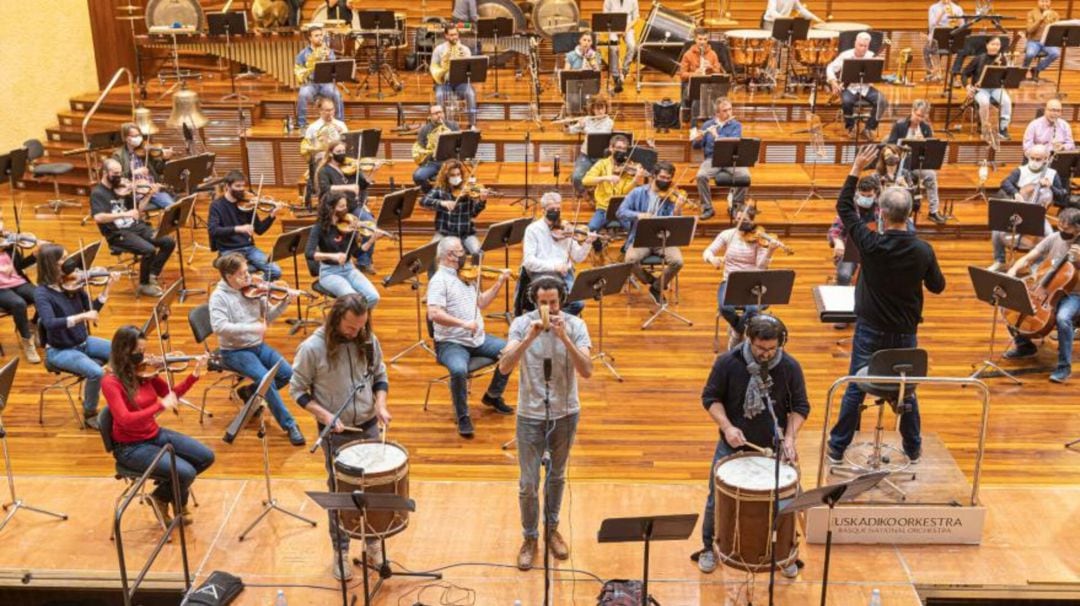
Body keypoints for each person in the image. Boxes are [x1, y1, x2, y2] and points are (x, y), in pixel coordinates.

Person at [826, 145, 946, 465]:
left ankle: (837, 448)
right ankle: (913, 447)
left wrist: (855, 169)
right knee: (906, 391)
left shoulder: (870, 244)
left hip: (870, 331)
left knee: (855, 385)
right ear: (909, 215)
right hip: (905, 333)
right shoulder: (923, 250)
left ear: (880, 212)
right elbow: (938, 287)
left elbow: (844, 208)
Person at [693, 314, 808, 576]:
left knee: (785, 502)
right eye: (760, 348)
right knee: (716, 498)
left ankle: (783, 553)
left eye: (772, 349)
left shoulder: (789, 367)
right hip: (732, 445)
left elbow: (800, 406)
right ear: (749, 339)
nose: (766, 354)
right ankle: (708, 547)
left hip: (772, 444)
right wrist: (727, 426)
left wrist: (789, 438)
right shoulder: (727, 363)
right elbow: (710, 398)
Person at [290, 294, 392, 580]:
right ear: (336, 319)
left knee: (374, 490)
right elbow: (297, 390)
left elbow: (379, 376)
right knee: (342, 495)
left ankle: (373, 544)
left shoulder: (367, 339)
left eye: (360, 327)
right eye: (350, 327)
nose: (355, 333)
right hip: (337, 432)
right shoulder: (312, 348)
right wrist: (325, 416)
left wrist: (381, 404)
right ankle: (341, 552)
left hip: (369, 425)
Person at [499, 275, 592, 571]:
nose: (549, 308)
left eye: (553, 302)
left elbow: (587, 370)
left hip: (565, 413)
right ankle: (530, 537)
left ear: (561, 301)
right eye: (543, 303)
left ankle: (552, 530)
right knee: (528, 483)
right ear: (534, 302)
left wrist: (564, 338)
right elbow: (504, 366)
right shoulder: (520, 325)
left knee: (557, 476)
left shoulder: (576, 326)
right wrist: (530, 337)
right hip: (530, 413)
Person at [102, 325, 214, 525]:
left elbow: (172, 393)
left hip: (154, 435)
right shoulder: (111, 382)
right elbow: (124, 418)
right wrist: (159, 406)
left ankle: (161, 495)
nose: (143, 356)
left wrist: (194, 375)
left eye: (143, 351)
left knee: (206, 457)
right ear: (123, 351)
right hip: (130, 448)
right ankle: (172, 500)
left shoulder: (145, 373)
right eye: (138, 352)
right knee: (186, 472)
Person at [208, 253, 305, 446]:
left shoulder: (253, 288)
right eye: (243, 274)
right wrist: (252, 328)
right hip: (234, 351)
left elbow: (269, 315)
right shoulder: (218, 298)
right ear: (229, 277)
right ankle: (289, 425)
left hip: (257, 346)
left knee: (287, 374)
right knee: (266, 381)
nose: (249, 277)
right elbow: (219, 327)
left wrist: (285, 301)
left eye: (248, 271)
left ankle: (250, 393)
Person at [427, 236, 514, 437]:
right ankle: (462, 415)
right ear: (449, 256)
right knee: (458, 370)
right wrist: (464, 324)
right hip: (451, 343)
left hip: (477, 338)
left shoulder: (466, 275)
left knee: (512, 350)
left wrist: (499, 283)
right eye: (460, 251)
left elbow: (481, 303)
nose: (464, 255)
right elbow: (434, 314)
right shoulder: (439, 281)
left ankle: (493, 395)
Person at [35, 244, 119, 430]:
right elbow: (49, 323)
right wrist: (81, 317)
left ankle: (120, 399)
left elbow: (92, 310)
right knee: (96, 372)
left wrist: (107, 289)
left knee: (120, 350)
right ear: (51, 264)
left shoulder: (73, 284)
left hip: (83, 342)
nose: (70, 263)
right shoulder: (41, 294)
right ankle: (90, 414)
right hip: (59, 350)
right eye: (63, 259)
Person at [1002, 208, 1080, 383]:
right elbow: (1030, 257)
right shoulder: (1055, 238)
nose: (1061, 231)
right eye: (1059, 225)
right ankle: (1025, 346)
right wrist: (1013, 270)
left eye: (1066, 229)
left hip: (1074, 294)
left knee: (1062, 318)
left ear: (1077, 229)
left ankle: (1064, 368)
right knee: (1013, 301)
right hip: (1047, 288)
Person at [91, 158, 175, 297]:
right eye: (115, 174)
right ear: (105, 173)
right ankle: (143, 284)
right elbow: (98, 217)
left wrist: (148, 194)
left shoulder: (123, 188)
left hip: (136, 227)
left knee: (168, 242)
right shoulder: (98, 193)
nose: (119, 177)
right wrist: (125, 214)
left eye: (120, 173)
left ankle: (152, 274)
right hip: (118, 233)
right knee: (149, 250)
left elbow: (138, 210)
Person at [703, 206, 780, 350]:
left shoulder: (759, 238)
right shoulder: (727, 234)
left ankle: (736, 332)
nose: (739, 223)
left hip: (753, 282)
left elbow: (761, 267)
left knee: (753, 309)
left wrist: (769, 252)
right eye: (738, 219)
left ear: (752, 221)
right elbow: (708, 251)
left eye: (744, 220)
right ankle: (739, 329)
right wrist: (712, 259)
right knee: (725, 308)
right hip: (730, 280)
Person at [618, 161, 688, 305]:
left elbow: (675, 222)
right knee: (629, 260)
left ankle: (656, 288)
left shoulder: (670, 197)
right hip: (640, 238)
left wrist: (677, 209)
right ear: (654, 176)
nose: (666, 181)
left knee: (678, 261)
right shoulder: (638, 192)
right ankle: (650, 280)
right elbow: (620, 212)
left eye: (669, 178)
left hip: (663, 239)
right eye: (662, 177)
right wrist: (638, 215)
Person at [989, 144, 1064, 271]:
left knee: (1049, 235)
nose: (1034, 161)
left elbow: (1062, 195)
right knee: (996, 230)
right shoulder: (1021, 170)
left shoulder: (1052, 174)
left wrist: (1050, 186)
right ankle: (999, 260)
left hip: (1038, 213)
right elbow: (1005, 183)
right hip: (1019, 210)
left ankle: (1037, 264)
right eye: (1032, 158)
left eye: (1038, 159)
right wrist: (1016, 193)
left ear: (1046, 159)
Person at [521, 192, 596, 316]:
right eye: (552, 209)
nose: (555, 212)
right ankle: (551, 320)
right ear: (543, 210)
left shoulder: (565, 228)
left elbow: (578, 257)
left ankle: (552, 319)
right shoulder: (533, 230)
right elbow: (529, 261)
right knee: (546, 302)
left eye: (558, 209)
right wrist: (554, 267)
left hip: (565, 275)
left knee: (578, 303)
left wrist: (588, 243)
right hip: (542, 275)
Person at [306, 192, 381, 306]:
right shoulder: (319, 228)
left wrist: (371, 240)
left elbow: (357, 253)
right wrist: (333, 256)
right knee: (353, 301)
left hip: (349, 269)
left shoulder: (349, 225)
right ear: (330, 208)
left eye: (345, 206)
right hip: (329, 272)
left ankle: (357, 321)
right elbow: (309, 253)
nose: (345, 209)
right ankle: (347, 321)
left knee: (373, 297)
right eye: (341, 206)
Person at [207, 170, 283, 281]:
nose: (241, 189)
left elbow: (260, 229)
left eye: (243, 186)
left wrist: (272, 215)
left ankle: (253, 285)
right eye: (237, 186)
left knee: (276, 271)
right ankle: (246, 283)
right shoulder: (217, 206)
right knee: (240, 274)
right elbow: (213, 230)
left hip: (249, 248)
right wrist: (238, 229)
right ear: (227, 186)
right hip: (229, 250)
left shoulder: (248, 203)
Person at [885, 99, 946, 225]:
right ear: (912, 111)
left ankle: (933, 211)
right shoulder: (899, 125)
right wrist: (905, 143)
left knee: (931, 175)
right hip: (899, 164)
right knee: (902, 180)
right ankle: (900, 213)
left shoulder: (925, 128)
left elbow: (930, 151)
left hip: (916, 164)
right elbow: (889, 145)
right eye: (917, 115)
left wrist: (923, 142)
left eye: (922, 116)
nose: (919, 118)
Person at [692, 97, 749, 220]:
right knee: (700, 176)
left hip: (731, 159)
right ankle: (707, 208)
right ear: (717, 113)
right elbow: (696, 147)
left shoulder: (736, 125)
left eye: (730, 109)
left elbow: (733, 142)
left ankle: (735, 207)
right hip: (712, 159)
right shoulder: (707, 125)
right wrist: (698, 139)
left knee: (745, 176)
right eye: (725, 110)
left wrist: (717, 135)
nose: (729, 113)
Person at [419, 159, 489, 257]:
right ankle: (436, 273)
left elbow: (473, 213)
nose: (456, 177)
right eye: (452, 175)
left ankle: (473, 272)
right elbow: (423, 201)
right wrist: (441, 203)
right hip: (445, 233)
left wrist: (482, 201)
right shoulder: (440, 189)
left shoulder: (468, 188)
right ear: (446, 176)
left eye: (458, 174)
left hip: (466, 234)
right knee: (432, 254)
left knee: (478, 254)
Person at [582, 134, 644, 238]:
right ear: (611, 148)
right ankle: (598, 248)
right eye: (619, 148)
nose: (622, 151)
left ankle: (626, 249)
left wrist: (635, 180)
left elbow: (625, 191)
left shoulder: (629, 166)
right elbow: (585, 181)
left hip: (623, 208)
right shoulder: (602, 164)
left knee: (636, 231)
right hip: (603, 208)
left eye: (624, 149)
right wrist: (606, 178)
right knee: (591, 229)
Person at [827, 32, 884, 140]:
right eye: (860, 45)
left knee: (882, 101)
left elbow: (876, 76)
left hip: (866, 88)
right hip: (849, 88)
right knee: (847, 102)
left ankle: (869, 128)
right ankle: (850, 127)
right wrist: (833, 81)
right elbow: (830, 67)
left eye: (865, 46)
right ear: (855, 43)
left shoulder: (871, 55)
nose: (863, 48)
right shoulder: (845, 55)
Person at [0, 224, 40, 363]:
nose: (3, 234)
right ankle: (27, 341)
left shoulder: (9, 246)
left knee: (41, 296)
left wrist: (34, 255)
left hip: (17, 282)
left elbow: (19, 266)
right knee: (18, 303)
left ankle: (33, 324)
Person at [113, 122, 174, 211]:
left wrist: (165, 159)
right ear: (126, 138)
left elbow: (159, 170)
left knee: (172, 206)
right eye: (134, 136)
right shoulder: (118, 156)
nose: (138, 138)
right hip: (133, 193)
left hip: (153, 190)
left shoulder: (146, 150)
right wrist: (133, 172)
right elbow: (116, 179)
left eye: (139, 135)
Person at [962, 36, 1012, 141]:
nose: (995, 47)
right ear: (987, 45)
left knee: (1006, 101)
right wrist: (967, 86)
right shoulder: (978, 59)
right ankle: (984, 127)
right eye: (992, 44)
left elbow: (1006, 76)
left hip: (996, 88)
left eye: (997, 44)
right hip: (981, 89)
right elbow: (965, 74)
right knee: (984, 103)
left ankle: (1003, 128)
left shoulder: (1003, 59)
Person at [294, 25, 344, 130]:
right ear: (310, 38)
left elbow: (334, 68)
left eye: (321, 35)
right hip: (310, 83)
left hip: (325, 82)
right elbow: (298, 71)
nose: (320, 38)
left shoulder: (329, 52)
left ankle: (340, 122)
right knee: (302, 94)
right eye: (316, 36)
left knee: (336, 94)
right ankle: (301, 123)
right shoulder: (303, 54)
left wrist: (328, 59)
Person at [301, 97, 348, 204]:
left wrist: (342, 134)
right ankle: (325, 197)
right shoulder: (313, 127)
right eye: (327, 110)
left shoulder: (341, 125)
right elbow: (306, 148)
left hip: (339, 156)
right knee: (321, 159)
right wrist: (321, 143)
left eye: (332, 110)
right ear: (320, 111)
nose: (330, 113)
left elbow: (348, 145)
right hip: (322, 158)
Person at [430, 25, 477, 128]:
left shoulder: (465, 49)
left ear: (458, 34)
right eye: (451, 35)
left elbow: (470, 69)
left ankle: (472, 124)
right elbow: (433, 68)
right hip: (444, 83)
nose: (454, 37)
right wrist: (445, 66)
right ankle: (441, 125)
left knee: (471, 94)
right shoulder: (439, 49)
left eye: (455, 34)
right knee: (439, 96)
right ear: (446, 36)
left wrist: (464, 58)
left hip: (461, 83)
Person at [568, 96, 614, 197]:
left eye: (602, 108)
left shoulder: (609, 122)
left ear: (606, 108)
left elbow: (598, 133)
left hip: (602, 157)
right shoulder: (587, 120)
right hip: (586, 156)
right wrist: (579, 125)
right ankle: (586, 195)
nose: (600, 111)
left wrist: (585, 126)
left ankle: (596, 194)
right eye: (597, 108)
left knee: (604, 178)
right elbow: (571, 130)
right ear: (593, 109)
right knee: (576, 177)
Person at [412, 105, 460, 192]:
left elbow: (459, 145)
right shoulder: (424, 130)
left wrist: (449, 137)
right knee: (418, 176)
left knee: (452, 177)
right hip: (433, 162)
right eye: (436, 113)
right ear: (430, 116)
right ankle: (430, 193)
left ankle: (450, 195)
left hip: (450, 161)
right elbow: (420, 149)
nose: (439, 115)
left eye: (441, 112)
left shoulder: (453, 126)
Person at [679, 28, 725, 112]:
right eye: (700, 39)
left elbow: (718, 73)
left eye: (705, 39)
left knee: (710, 95)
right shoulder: (688, 54)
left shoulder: (713, 54)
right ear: (695, 39)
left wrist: (711, 67)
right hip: (692, 84)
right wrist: (694, 74)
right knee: (698, 97)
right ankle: (695, 123)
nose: (702, 42)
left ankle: (710, 120)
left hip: (708, 84)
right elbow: (682, 75)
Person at [316, 140, 369, 207]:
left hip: (352, 205)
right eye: (339, 152)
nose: (342, 154)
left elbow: (363, 184)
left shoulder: (349, 167)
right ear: (330, 153)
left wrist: (373, 171)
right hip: (334, 207)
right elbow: (325, 188)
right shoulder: (324, 170)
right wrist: (348, 187)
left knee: (369, 217)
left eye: (343, 151)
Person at [924, 0, 963, 82]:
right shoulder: (933, 8)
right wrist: (941, 13)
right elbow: (931, 26)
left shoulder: (957, 8)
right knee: (928, 48)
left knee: (963, 50)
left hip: (953, 37)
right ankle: (934, 73)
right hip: (938, 36)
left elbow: (962, 26)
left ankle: (953, 74)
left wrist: (957, 19)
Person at [603, 0, 638, 89]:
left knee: (632, 45)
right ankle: (616, 77)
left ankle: (624, 72)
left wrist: (625, 29)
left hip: (628, 28)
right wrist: (615, 28)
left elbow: (636, 18)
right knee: (613, 48)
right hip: (613, 28)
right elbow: (605, 17)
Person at [1024, 0, 1061, 81]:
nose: (1045, 4)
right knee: (1030, 54)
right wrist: (1040, 20)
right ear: (1038, 2)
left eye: (1047, 1)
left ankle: (1036, 69)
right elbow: (1029, 30)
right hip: (1034, 41)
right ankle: (1023, 71)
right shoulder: (1031, 13)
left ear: (1050, 2)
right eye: (1042, 1)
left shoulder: (1055, 14)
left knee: (1056, 53)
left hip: (1047, 41)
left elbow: (1057, 30)